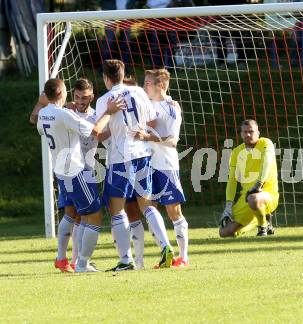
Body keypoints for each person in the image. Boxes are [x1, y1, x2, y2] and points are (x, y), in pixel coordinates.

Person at [36, 78, 122, 272]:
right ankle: (82, 263)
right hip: (75, 171)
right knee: (94, 215)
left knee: (79, 214)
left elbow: (41, 127)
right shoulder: (64, 114)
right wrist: (109, 112)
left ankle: (68, 259)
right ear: (61, 93)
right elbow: (94, 130)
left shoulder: (44, 114)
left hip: (61, 170)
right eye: (68, 91)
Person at [96, 59, 174, 271]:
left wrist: (115, 126)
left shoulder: (105, 99)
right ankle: (166, 246)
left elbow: (99, 134)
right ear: (123, 74)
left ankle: (125, 260)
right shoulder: (139, 92)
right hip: (142, 154)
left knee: (116, 209)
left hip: (120, 158)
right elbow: (152, 119)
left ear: (106, 78)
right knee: (146, 204)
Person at [138, 68, 189, 267]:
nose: (144, 86)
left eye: (148, 83)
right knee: (149, 210)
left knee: (173, 211)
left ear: (160, 85)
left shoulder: (171, 108)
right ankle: (165, 253)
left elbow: (172, 141)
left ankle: (183, 258)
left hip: (165, 165)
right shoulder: (145, 104)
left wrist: (148, 137)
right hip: (146, 164)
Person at [219, 119, 278, 238]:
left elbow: (267, 162)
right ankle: (262, 220)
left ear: (258, 133)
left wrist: (258, 185)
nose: (248, 134)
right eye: (245, 132)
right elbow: (232, 180)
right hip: (245, 199)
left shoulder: (266, 143)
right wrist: (228, 205)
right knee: (224, 232)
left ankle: (263, 227)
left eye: (251, 131)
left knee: (253, 198)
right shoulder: (236, 152)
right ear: (241, 134)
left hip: (267, 195)